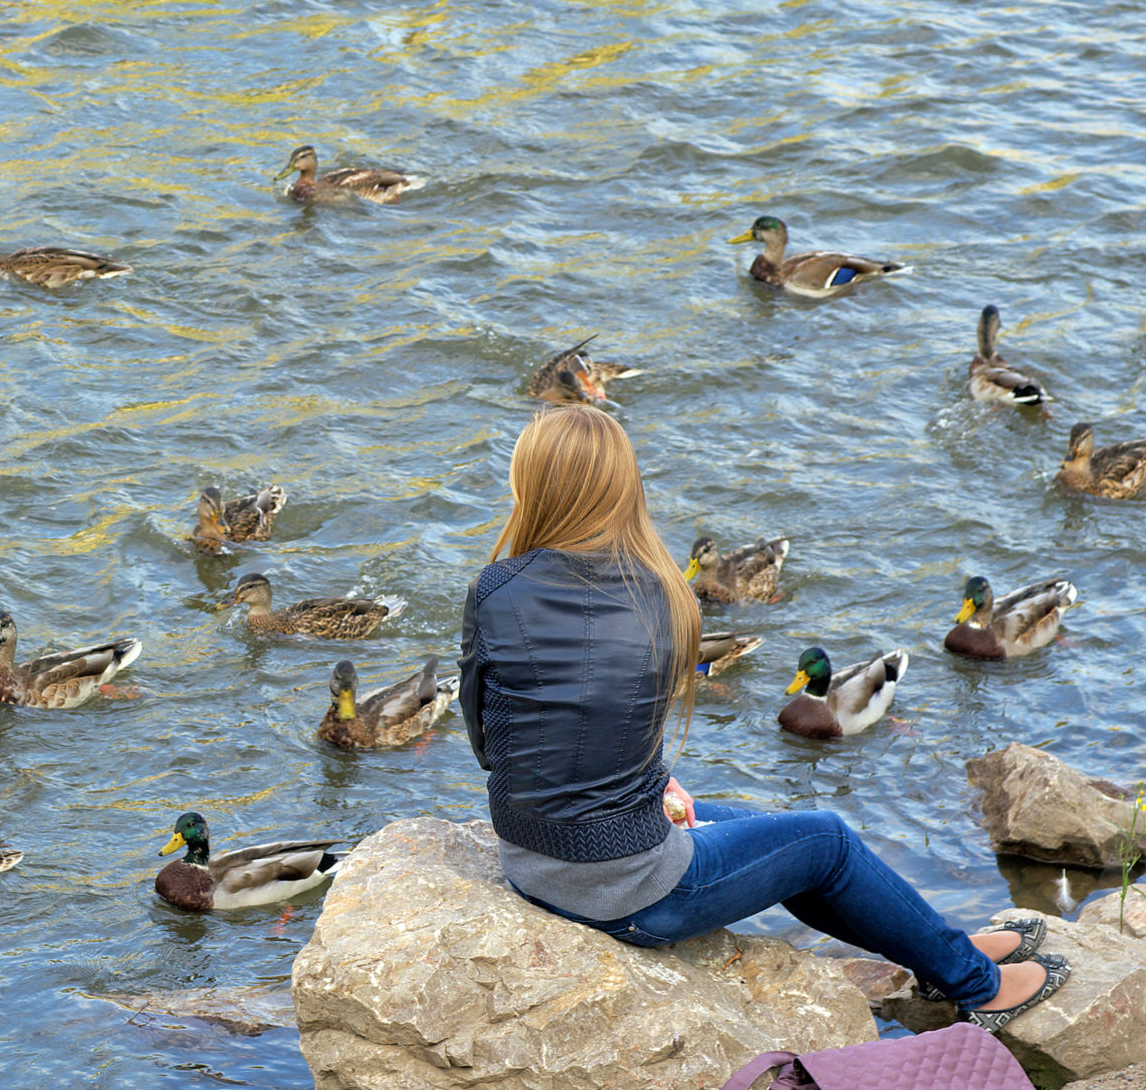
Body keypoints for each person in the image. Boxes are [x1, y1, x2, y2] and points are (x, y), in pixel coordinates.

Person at [456, 405, 1068, 1030]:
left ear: (530, 483)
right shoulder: (660, 596)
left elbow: (494, 742)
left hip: (529, 860)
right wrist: (640, 783)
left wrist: (649, 783)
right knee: (824, 839)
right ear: (622, 487)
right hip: (627, 892)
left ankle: (943, 954)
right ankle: (979, 987)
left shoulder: (494, 589)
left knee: (786, 835)